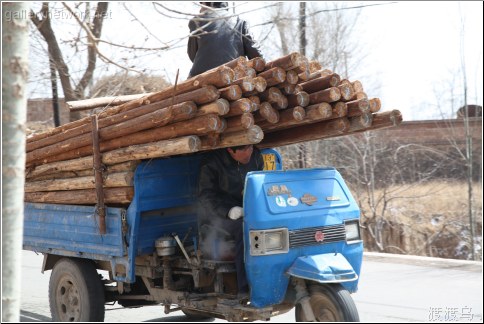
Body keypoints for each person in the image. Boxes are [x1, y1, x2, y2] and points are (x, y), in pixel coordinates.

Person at [197, 144, 264, 295]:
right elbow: (205, 197)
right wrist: (228, 211)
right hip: (216, 216)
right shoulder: (212, 163)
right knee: (244, 229)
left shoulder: (256, 156)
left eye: (250, 148)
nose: (248, 153)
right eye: (243, 150)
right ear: (229, 150)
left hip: (248, 210)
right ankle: (244, 287)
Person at [187, 2, 263, 77]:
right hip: (234, 73)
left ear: (205, 3)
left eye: (201, 3)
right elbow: (255, 53)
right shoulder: (240, 21)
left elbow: (192, 54)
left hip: (202, 76)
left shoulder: (196, 21)